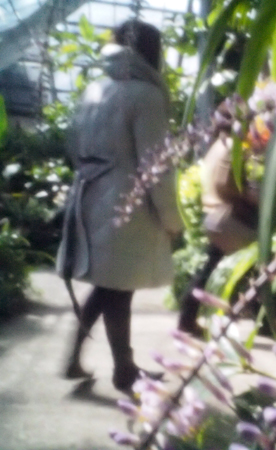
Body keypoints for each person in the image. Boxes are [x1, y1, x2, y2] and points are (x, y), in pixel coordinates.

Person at [56, 19, 183, 392]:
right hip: (127, 204)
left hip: (90, 196)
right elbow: (155, 167)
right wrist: (172, 219)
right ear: (151, 52)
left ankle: (79, 358)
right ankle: (123, 370)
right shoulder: (147, 96)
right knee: (118, 289)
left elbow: (73, 147)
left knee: (108, 285)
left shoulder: (95, 89)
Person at [177, 133, 260, 337]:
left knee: (209, 271)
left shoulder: (219, 144)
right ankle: (265, 320)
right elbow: (224, 183)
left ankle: (186, 320)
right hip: (227, 217)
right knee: (258, 265)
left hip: (217, 215)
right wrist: (248, 197)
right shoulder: (234, 146)